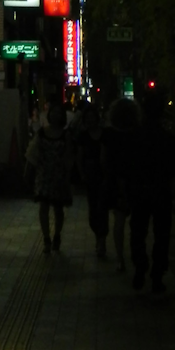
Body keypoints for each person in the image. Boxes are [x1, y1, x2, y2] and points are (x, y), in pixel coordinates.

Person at [128, 87, 175, 293]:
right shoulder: (168, 139)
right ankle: (157, 275)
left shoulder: (134, 137)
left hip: (139, 191)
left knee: (138, 233)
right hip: (161, 191)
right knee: (162, 235)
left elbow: (127, 168)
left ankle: (140, 268)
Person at [25, 104, 74, 254]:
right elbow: (33, 153)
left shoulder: (66, 135)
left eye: (59, 113)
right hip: (44, 175)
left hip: (59, 175)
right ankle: (46, 238)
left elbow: (69, 156)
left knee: (58, 208)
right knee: (44, 206)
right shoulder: (42, 133)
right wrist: (28, 171)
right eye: (54, 112)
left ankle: (57, 235)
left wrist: (68, 174)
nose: (56, 115)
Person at [104, 97, 140, 271]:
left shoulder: (109, 135)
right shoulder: (138, 134)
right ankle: (135, 255)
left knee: (118, 222)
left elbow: (105, 160)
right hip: (136, 181)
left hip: (116, 181)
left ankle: (120, 258)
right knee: (138, 222)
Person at [73, 101, 109, 258]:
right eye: (87, 119)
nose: (90, 121)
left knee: (103, 209)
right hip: (90, 176)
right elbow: (79, 157)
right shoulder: (83, 136)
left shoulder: (105, 134)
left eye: (92, 118)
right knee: (93, 211)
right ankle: (98, 237)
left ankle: (102, 242)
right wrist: (82, 174)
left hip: (104, 176)